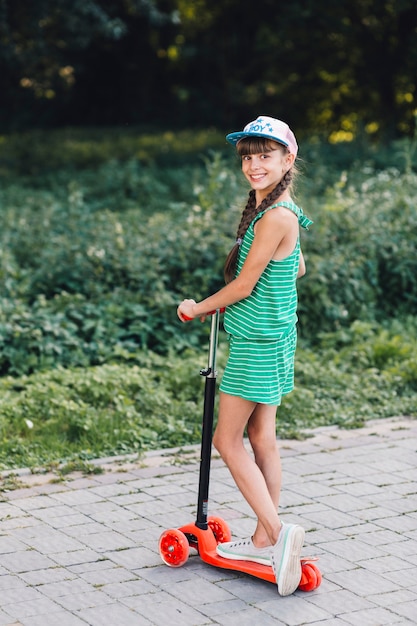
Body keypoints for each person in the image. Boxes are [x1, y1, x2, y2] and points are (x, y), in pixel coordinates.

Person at [177, 115, 313, 596]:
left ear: (287, 160)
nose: (255, 165)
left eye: (266, 156)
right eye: (248, 157)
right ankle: (261, 534)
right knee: (262, 437)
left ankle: (277, 536)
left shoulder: (275, 215)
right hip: (275, 340)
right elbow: (295, 265)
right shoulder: (282, 212)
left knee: (227, 441)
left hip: (256, 345)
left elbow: (243, 285)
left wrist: (196, 308)